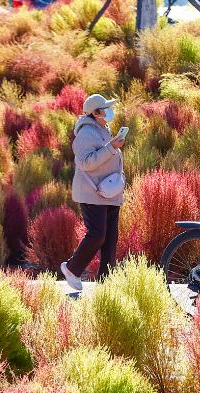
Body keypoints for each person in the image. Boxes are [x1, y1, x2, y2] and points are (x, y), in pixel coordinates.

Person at [61, 93, 127, 291]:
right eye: (106, 108)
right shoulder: (86, 133)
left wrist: (113, 148)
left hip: (109, 193)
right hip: (92, 193)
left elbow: (108, 156)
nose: (110, 111)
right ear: (96, 112)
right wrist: (111, 147)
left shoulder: (103, 128)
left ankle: (107, 283)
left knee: (110, 238)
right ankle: (72, 269)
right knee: (97, 235)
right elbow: (86, 163)